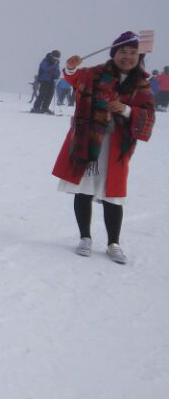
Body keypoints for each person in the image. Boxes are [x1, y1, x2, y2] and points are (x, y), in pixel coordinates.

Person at [52, 32, 155, 264]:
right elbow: (75, 78)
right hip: (87, 142)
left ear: (139, 56)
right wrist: (70, 68)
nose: (127, 57)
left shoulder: (142, 84)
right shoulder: (95, 74)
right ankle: (85, 238)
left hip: (116, 148)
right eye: (122, 52)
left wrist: (126, 110)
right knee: (84, 190)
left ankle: (113, 243)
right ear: (113, 53)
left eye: (132, 53)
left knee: (113, 196)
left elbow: (148, 115)